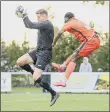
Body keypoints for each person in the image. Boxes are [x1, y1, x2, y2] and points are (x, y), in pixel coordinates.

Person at [15, 6, 59, 106]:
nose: (37, 19)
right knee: (20, 61)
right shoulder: (43, 24)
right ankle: (33, 72)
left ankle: (54, 93)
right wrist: (23, 17)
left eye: (39, 17)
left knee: (36, 78)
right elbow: (28, 25)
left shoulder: (47, 24)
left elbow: (30, 24)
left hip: (45, 53)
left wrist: (25, 14)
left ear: (45, 16)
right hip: (37, 51)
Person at [52, 12, 100, 87]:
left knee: (74, 59)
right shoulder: (77, 21)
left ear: (66, 19)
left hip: (90, 40)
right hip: (93, 39)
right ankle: (62, 66)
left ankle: (64, 81)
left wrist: (53, 43)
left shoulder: (70, 22)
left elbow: (59, 33)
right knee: (75, 53)